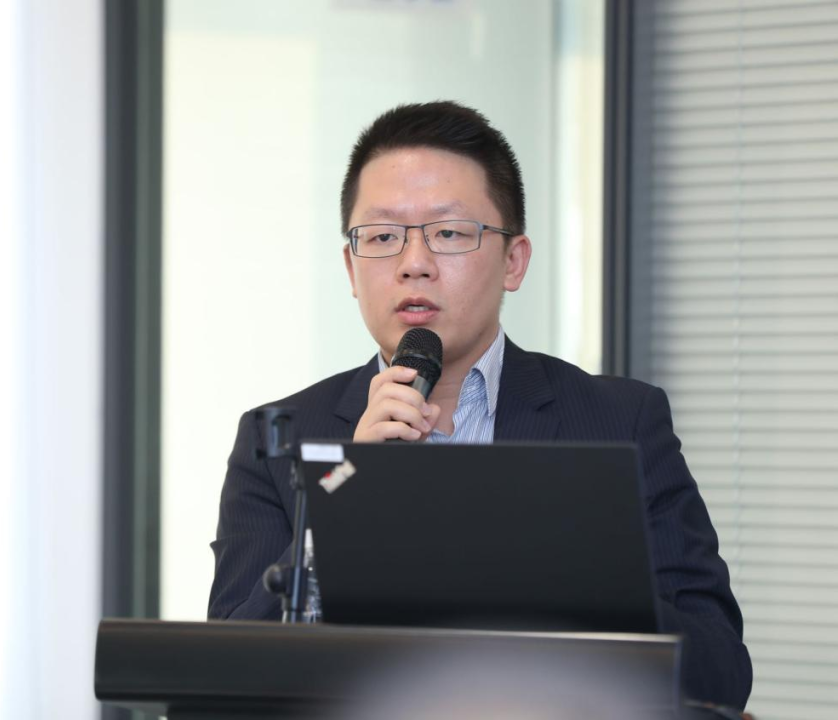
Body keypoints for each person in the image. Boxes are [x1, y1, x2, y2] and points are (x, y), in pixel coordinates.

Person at [207, 101, 752, 709]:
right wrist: (345, 496)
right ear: (351, 269)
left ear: (513, 261)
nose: (414, 264)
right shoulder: (277, 439)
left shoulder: (621, 421)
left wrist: (578, 574)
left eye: (448, 233)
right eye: (382, 237)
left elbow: (720, 671)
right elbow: (222, 680)